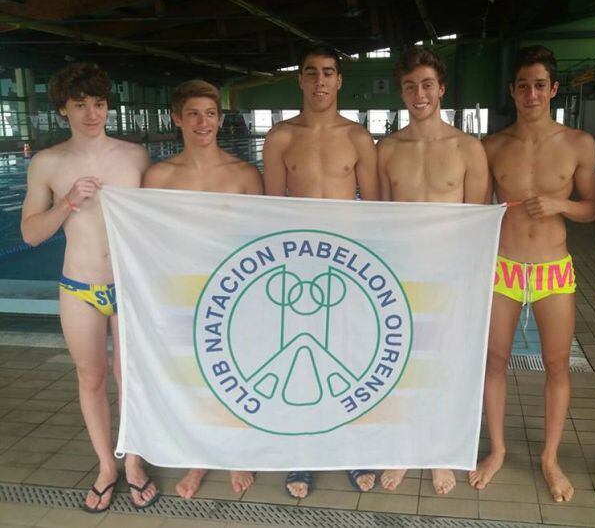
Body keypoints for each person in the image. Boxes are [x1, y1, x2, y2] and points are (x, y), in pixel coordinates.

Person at [20, 63, 157, 512]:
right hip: (79, 285)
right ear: (63, 109)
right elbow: (30, 234)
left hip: (129, 284)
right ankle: (106, 466)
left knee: (129, 377)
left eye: (98, 104)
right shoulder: (48, 163)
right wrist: (67, 202)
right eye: (80, 105)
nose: (92, 113)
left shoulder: (134, 156)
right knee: (92, 377)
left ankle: (134, 460)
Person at [470, 45, 595, 502]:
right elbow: (474, 208)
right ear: (513, 91)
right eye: (523, 85)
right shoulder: (492, 145)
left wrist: (561, 204)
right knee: (496, 361)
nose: (531, 93)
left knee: (557, 365)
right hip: (503, 267)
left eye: (539, 85)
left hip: (551, 271)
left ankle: (549, 457)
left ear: (554, 89)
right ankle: (498, 449)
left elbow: (592, 208)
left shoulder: (578, 143)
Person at [263, 42, 379, 498]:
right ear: (300, 78)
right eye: (311, 73)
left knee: (351, 360)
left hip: (348, 266)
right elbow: (271, 212)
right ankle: (302, 452)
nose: (320, 81)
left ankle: (352, 448)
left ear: (339, 79)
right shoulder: (280, 137)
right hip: (297, 266)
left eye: (328, 72)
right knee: (299, 359)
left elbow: (374, 210)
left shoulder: (357, 137)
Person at [376, 48, 488, 495]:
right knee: (404, 367)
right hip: (401, 275)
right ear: (401, 92)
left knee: (445, 366)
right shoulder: (387, 148)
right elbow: (381, 219)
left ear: (441, 88)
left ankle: (441, 452)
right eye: (409, 86)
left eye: (426, 84)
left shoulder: (468, 148)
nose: (419, 94)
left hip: (449, 273)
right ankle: (407, 447)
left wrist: (463, 280)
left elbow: (476, 222)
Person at [143, 79, 262, 498]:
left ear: (221, 119)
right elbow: (145, 242)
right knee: (193, 379)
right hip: (182, 294)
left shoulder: (245, 174)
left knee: (232, 376)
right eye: (192, 113)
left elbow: (262, 242)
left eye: (210, 114)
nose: (202, 122)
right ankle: (198, 458)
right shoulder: (158, 177)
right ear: (176, 118)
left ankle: (232, 453)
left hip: (234, 296)